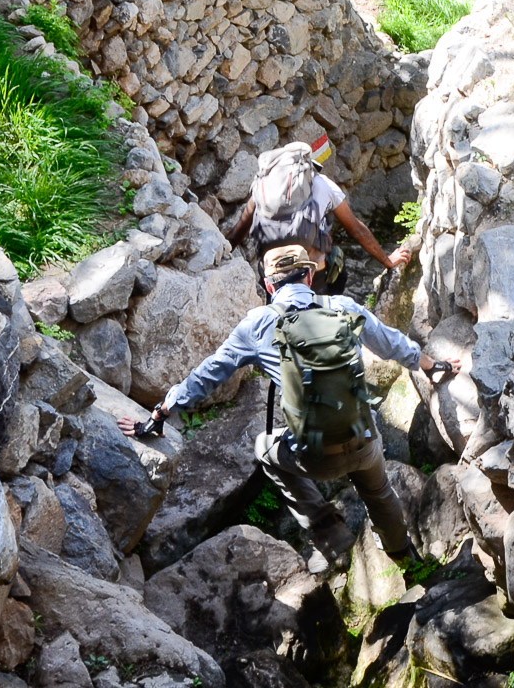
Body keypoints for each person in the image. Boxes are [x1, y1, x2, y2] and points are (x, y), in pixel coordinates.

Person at [119, 244, 459, 571]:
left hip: (315, 456)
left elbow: (205, 377)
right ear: (309, 278)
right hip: (364, 441)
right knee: (379, 490)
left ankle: (329, 533)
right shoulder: (344, 307)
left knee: (264, 448)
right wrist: (431, 366)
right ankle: (405, 559)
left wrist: (161, 412)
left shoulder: (256, 325)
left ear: (269, 285)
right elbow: (393, 344)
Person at [226, 137, 411, 293]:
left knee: (276, 299)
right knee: (337, 260)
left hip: (272, 274)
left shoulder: (263, 189)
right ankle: (326, 311)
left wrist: (220, 256)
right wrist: (388, 260)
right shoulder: (322, 184)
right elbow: (357, 230)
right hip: (313, 274)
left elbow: (237, 234)